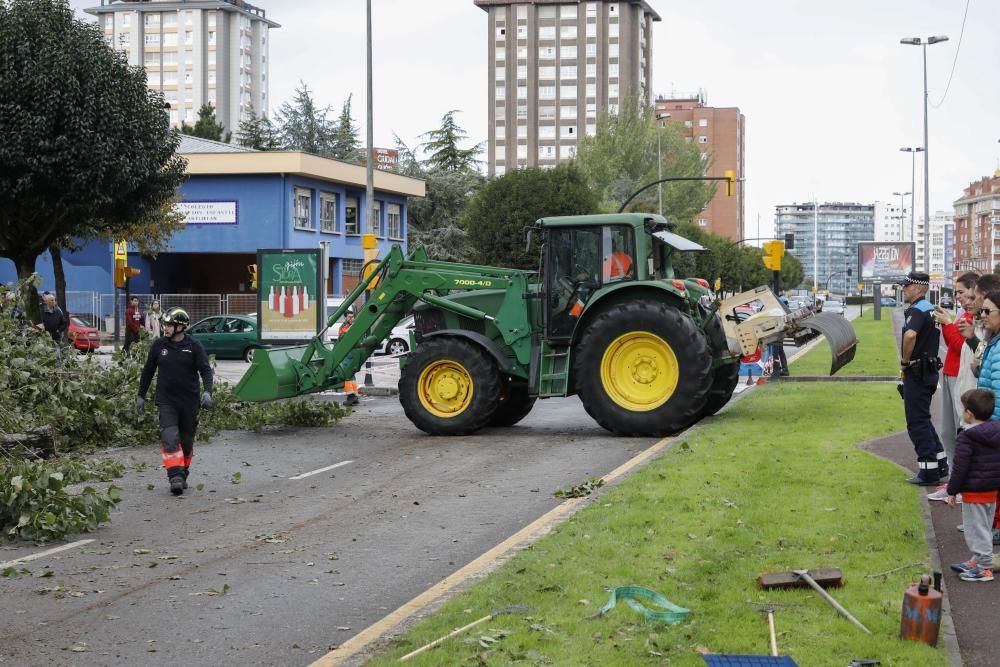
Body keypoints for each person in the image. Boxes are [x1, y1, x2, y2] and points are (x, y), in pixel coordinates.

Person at [137, 307, 214, 496]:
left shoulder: (194, 346)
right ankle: (175, 477)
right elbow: (148, 371)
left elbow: (205, 370)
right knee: (170, 438)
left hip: (189, 402)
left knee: (186, 442)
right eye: (165, 325)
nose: (166, 328)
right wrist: (141, 395)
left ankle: (183, 472)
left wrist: (208, 392)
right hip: (166, 401)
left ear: (180, 327)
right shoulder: (159, 345)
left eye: (169, 325)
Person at [929, 272, 981, 501]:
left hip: (961, 377)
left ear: (973, 291)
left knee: (960, 432)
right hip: (952, 374)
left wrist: (949, 325)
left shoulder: (974, 318)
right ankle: (954, 482)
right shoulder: (965, 315)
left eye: (961, 292)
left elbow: (962, 348)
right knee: (948, 432)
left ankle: (959, 485)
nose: (959, 298)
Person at [898, 271, 948, 485]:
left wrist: (905, 361)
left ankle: (928, 471)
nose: (903, 289)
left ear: (919, 288)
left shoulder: (917, 310)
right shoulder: (931, 310)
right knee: (924, 419)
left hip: (917, 371)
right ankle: (940, 463)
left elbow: (910, 336)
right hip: (929, 371)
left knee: (916, 422)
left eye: (907, 286)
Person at [946, 388, 1000, 582]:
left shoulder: (967, 437)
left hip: (974, 492)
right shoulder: (996, 431)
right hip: (991, 490)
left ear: (969, 413)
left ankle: (985, 567)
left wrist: (952, 491)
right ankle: (977, 560)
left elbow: (960, 467)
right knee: (984, 527)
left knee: (976, 531)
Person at [338, 310, 360, 406]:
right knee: (351, 375)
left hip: (350, 354)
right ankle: (354, 396)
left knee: (348, 375)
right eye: (349, 317)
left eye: (352, 317)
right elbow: (345, 337)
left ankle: (351, 396)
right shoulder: (343, 328)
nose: (351, 318)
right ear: (345, 318)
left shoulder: (351, 326)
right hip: (347, 354)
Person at [769, 289, 791, 377]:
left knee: (776, 351)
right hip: (780, 330)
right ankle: (784, 370)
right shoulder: (783, 301)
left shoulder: (780, 301)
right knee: (780, 351)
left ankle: (777, 370)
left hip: (778, 331)